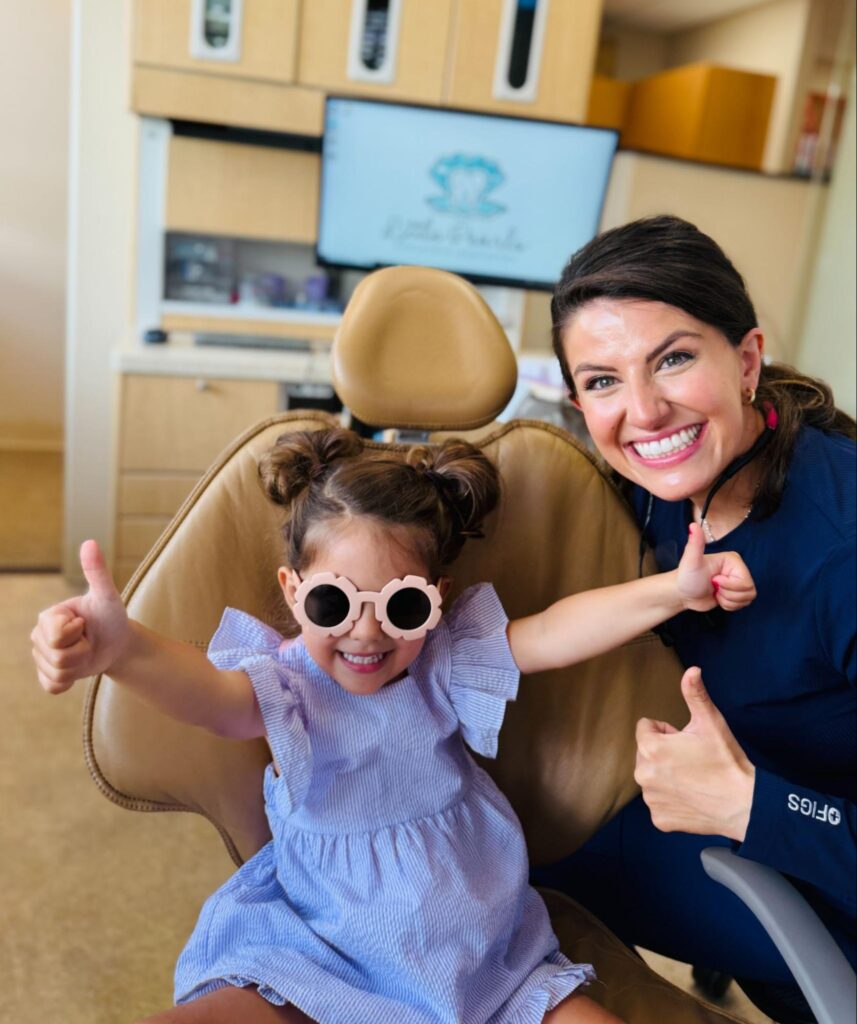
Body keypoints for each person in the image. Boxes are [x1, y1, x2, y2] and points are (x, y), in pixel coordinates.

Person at [31, 427, 755, 1024]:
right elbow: (210, 697)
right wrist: (122, 650)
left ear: (436, 600)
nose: (367, 634)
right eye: (333, 606)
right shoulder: (286, 685)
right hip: (322, 945)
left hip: (480, 952)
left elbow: (556, 631)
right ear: (293, 589)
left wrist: (672, 590)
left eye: (401, 606)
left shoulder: (447, 661)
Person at [539, 213, 856, 1024]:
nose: (642, 412)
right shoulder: (647, 480)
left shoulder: (842, 548)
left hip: (818, 862)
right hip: (735, 819)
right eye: (603, 380)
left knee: (511, 875)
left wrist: (753, 806)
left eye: (673, 359)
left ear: (745, 360)